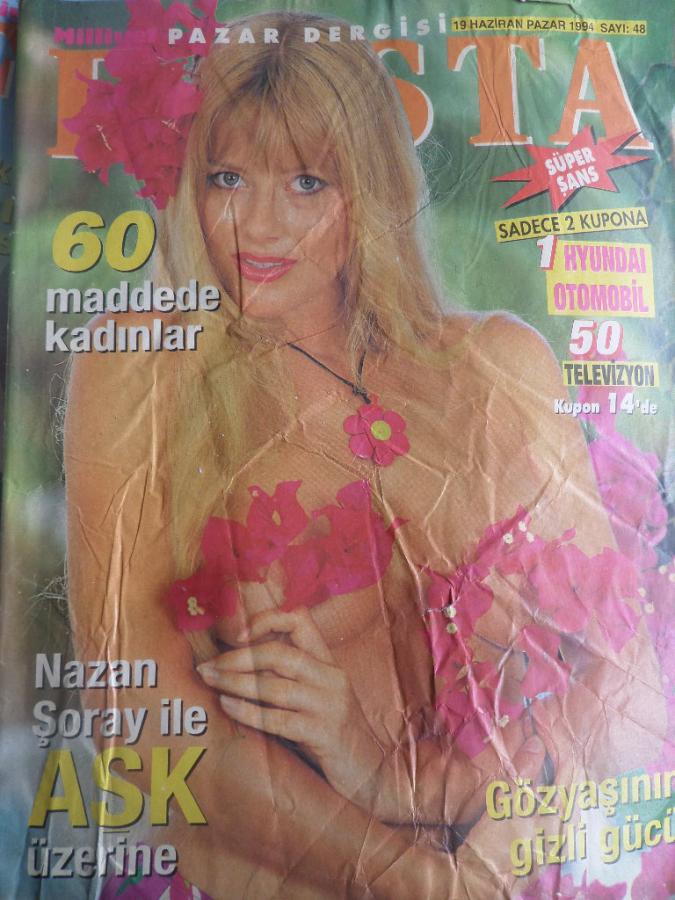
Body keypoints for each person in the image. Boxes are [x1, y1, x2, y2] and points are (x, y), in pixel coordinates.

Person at [65, 10, 664, 898]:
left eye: (307, 183)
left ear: (370, 193)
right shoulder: (141, 367)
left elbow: (628, 682)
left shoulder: (493, 369)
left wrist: (404, 793)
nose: (257, 226)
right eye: (227, 178)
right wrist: (415, 880)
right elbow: (136, 709)